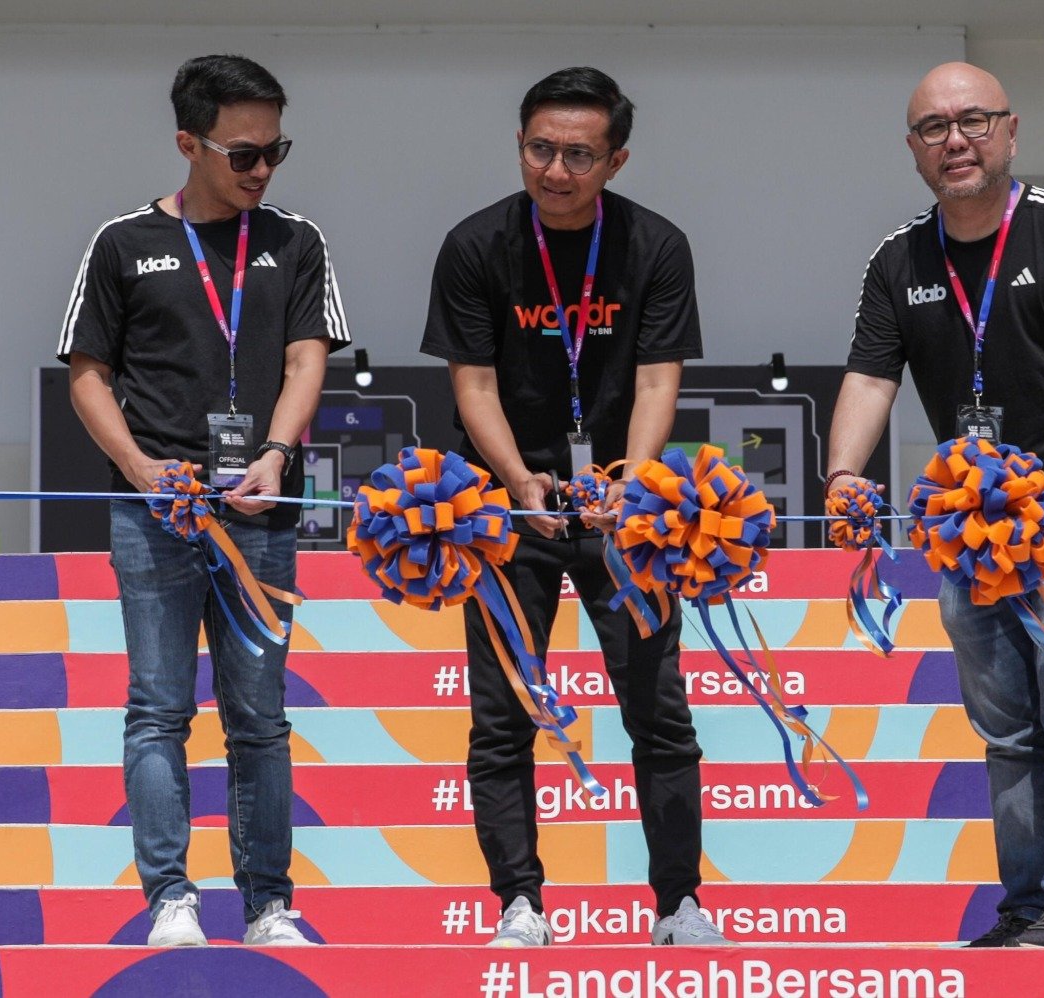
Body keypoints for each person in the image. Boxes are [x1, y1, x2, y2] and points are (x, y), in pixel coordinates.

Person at [827, 62, 1044, 948]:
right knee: (1006, 730)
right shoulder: (899, 257)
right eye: (933, 128)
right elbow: (867, 373)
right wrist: (843, 473)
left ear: (1009, 130)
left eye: (972, 121)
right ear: (912, 149)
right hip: (970, 533)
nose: (954, 141)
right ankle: (1024, 909)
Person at [420, 66, 730, 948]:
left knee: (658, 712)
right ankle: (518, 903)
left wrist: (629, 480)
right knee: (502, 712)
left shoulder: (655, 246)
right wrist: (518, 482)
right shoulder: (475, 245)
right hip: (509, 513)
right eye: (540, 149)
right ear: (519, 144)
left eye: (579, 155)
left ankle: (679, 904)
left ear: (616, 159)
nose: (555, 170)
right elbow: (471, 380)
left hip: (621, 516)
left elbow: (657, 375)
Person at [56, 53, 350, 947]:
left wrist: (273, 452)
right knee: (157, 709)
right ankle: (170, 900)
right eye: (242, 153)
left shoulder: (297, 241)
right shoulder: (120, 243)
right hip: (154, 512)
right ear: (188, 143)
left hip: (262, 510)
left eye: (275, 151)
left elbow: (307, 359)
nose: (261, 170)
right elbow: (87, 374)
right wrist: (142, 468)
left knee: (260, 716)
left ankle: (268, 904)